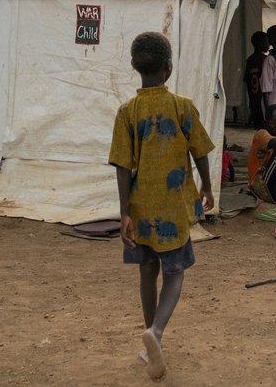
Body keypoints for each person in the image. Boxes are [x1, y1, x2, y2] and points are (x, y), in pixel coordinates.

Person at [109, 31, 214, 380]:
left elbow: (123, 166)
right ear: (169, 68)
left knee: (147, 271)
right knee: (176, 271)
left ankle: (150, 343)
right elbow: (199, 150)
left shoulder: (127, 112)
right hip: (174, 208)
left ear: (135, 67)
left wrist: (124, 211)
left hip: (140, 208)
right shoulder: (182, 107)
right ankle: (156, 333)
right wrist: (208, 186)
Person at [244, 31, 270, 129]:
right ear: (260, 44)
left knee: (259, 129)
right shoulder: (266, 60)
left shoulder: (249, 60)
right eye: (267, 41)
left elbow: (247, 81)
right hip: (264, 102)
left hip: (255, 102)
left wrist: (251, 101)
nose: (269, 44)